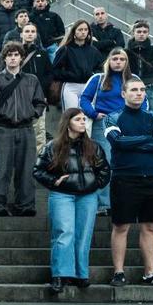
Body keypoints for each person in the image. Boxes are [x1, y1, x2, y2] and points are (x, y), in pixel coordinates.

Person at [33, 108, 111, 292]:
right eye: (78, 119)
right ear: (68, 122)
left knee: (83, 235)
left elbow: (105, 170)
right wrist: (54, 181)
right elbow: (38, 170)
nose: (83, 122)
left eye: (84, 119)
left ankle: (81, 274)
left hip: (88, 196)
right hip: (62, 194)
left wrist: (94, 184)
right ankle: (60, 275)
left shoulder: (93, 146)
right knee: (64, 232)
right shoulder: (53, 146)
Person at [103, 76, 153, 287]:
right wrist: (149, 140)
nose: (139, 93)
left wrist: (135, 142)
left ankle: (150, 272)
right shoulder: (113, 117)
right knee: (121, 226)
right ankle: (119, 272)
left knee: (150, 226)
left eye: (141, 90)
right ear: (123, 93)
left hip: (152, 178)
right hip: (124, 178)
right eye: (133, 90)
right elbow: (118, 142)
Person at [0, 42, 47, 217]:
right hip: (3, 129)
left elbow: (40, 102)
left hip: (26, 128)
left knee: (27, 169)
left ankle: (25, 205)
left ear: (21, 57)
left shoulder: (32, 79)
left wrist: (33, 113)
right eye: (9, 55)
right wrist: (1, 111)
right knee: (1, 169)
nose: (13, 58)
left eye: (16, 55)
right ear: (4, 58)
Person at [80, 48, 131, 215]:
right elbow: (84, 98)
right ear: (109, 61)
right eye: (115, 58)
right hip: (102, 125)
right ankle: (103, 205)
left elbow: (143, 102)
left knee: (125, 164)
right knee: (105, 164)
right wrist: (94, 114)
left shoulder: (133, 80)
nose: (118, 62)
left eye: (122, 59)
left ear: (126, 62)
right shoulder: (98, 78)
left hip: (126, 125)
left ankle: (124, 203)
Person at [52, 20, 104, 111]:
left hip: (88, 86)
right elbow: (55, 70)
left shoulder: (93, 50)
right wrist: (70, 75)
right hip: (70, 87)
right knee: (71, 115)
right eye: (80, 29)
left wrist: (92, 74)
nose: (83, 32)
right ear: (74, 32)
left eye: (85, 29)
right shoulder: (65, 49)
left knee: (87, 115)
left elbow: (101, 67)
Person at [126, 21, 153, 113]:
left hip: (150, 88)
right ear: (133, 33)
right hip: (131, 87)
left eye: (145, 32)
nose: (142, 34)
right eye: (139, 32)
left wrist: (152, 80)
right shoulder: (126, 52)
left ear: (148, 33)